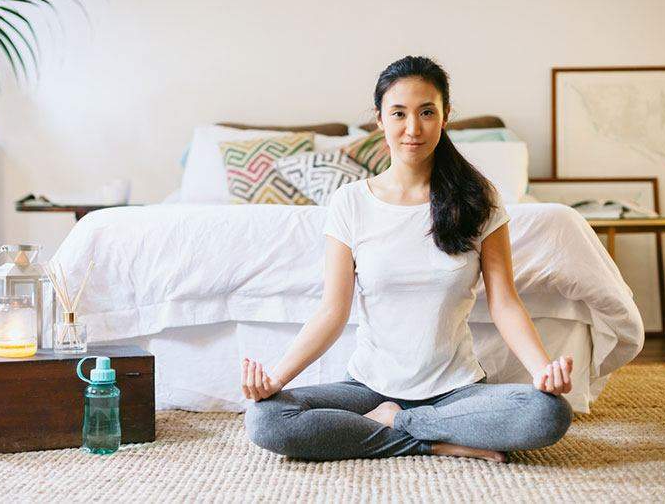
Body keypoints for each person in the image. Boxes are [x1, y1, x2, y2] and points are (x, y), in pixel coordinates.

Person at [241, 55, 573, 463]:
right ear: (380, 119)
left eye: (426, 112)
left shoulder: (478, 198)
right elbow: (332, 311)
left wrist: (542, 370)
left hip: (457, 389)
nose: (413, 128)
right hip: (368, 388)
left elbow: (505, 302)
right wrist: (277, 377)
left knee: (547, 413)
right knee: (266, 418)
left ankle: (392, 425)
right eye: (398, 113)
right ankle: (435, 441)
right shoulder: (350, 202)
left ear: (445, 116)